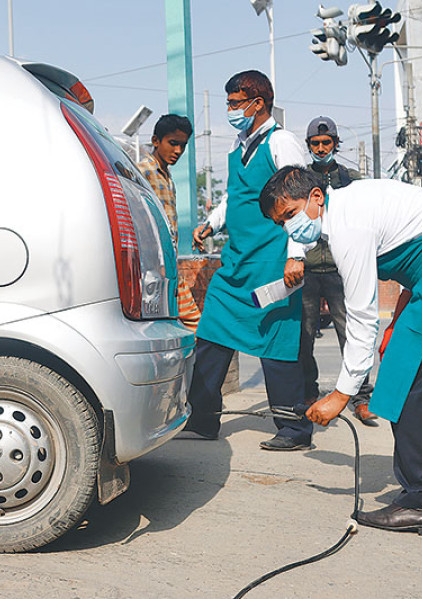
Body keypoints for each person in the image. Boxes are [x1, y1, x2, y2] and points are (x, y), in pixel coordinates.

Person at [261, 166, 422, 536]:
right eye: (280, 223)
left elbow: (361, 316)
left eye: (290, 214)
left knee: (405, 375)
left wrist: (341, 394)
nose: (289, 228)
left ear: (316, 197)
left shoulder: (348, 223)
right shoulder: (351, 204)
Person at [184, 70, 309, 450]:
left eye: (236, 103)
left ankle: (293, 429)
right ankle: (202, 419)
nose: (230, 110)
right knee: (211, 334)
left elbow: (301, 197)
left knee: (277, 341)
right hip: (236, 262)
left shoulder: (281, 142)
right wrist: (212, 222)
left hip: (272, 262)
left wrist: (297, 255)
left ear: (258, 104)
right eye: (229, 103)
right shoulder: (240, 147)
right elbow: (236, 197)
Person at [301, 116, 376, 425]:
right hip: (307, 268)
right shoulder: (301, 179)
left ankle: (360, 397)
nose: (321, 148)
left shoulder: (352, 177)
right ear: (309, 146)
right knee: (304, 336)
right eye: (315, 144)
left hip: (342, 268)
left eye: (326, 142)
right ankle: (309, 392)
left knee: (352, 332)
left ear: (335, 144)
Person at [137, 114, 202, 332]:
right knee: (188, 322)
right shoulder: (143, 171)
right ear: (156, 141)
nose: (178, 151)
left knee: (178, 323)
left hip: (169, 264)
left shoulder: (166, 175)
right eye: (172, 143)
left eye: (182, 146)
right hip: (152, 266)